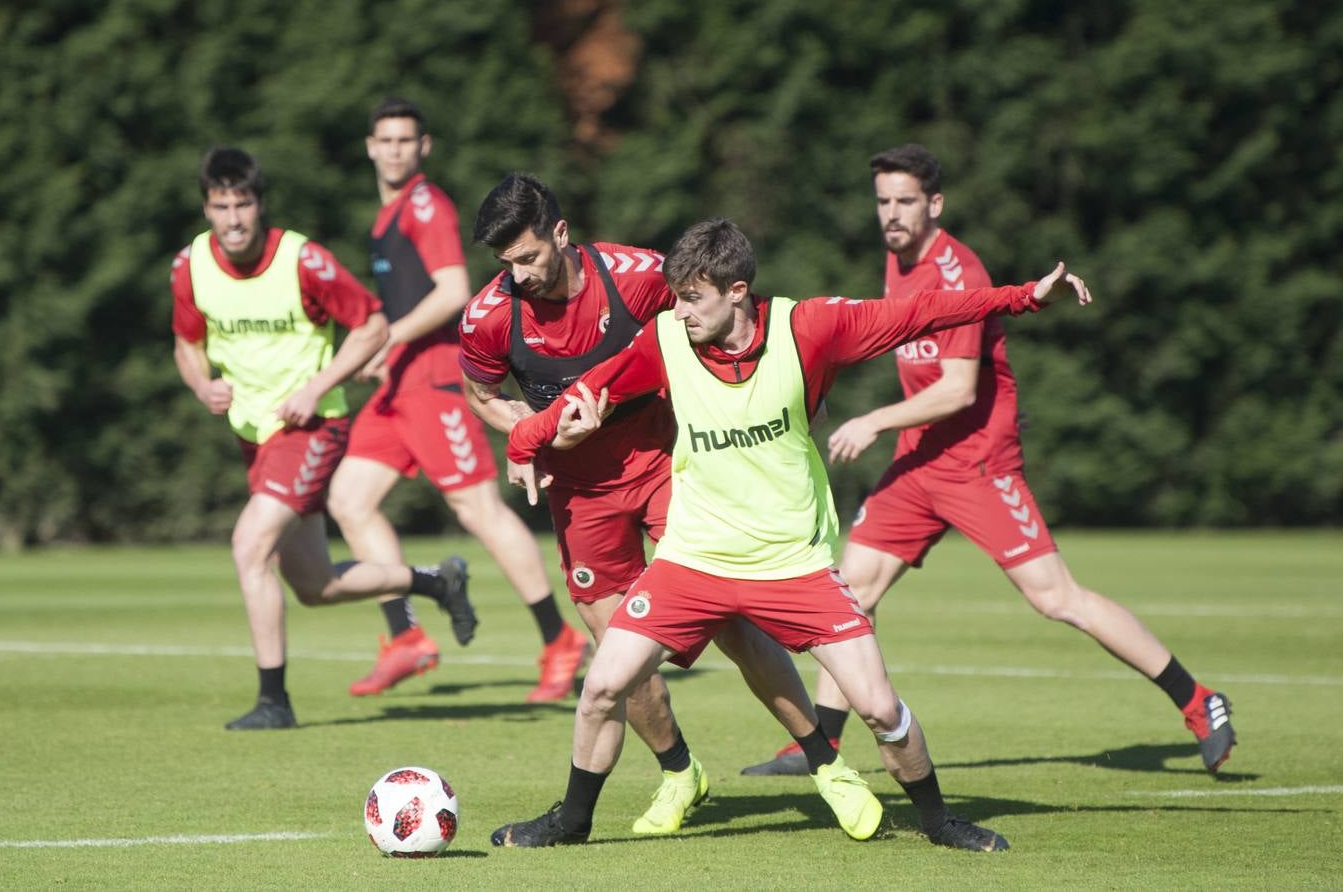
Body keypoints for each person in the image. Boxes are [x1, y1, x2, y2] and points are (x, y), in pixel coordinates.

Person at [491, 217, 1091, 849]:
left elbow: (923, 313)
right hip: (692, 561)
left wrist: (1025, 296)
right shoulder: (665, 338)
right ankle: (571, 824)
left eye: (692, 298)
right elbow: (589, 390)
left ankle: (939, 822)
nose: (678, 310)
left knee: (881, 709)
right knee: (602, 687)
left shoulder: (811, 327)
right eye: (675, 296)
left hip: (793, 565)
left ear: (738, 291)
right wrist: (529, 441)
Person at [741, 144, 1236, 778]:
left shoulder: (958, 273)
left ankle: (1199, 702)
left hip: (978, 465)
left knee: (1056, 598)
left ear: (935, 205)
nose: (891, 214)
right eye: (883, 201)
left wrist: (873, 419)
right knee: (851, 591)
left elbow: (957, 389)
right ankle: (822, 745)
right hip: (920, 461)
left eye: (905, 202)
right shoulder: (898, 258)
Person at [463, 176, 844, 838]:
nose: (517, 277)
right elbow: (480, 389)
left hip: (670, 470)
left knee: (735, 621)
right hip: (579, 495)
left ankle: (825, 764)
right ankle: (677, 772)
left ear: (560, 232)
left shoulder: (637, 277)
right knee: (618, 651)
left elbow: (711, 325)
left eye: (527, 258)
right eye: (505, 265)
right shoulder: (490, 314)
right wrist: (530, 431)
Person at [170, 147, 471, 730]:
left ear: (260, 205)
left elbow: (373, 324)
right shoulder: (189, 267)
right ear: (206, 207)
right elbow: (186, 343)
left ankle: (273, 703)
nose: (232, 219)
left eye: (243, 204)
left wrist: (318, 386)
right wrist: (200, 383)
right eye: (220, 206)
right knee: (315, 585)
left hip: (310, 427)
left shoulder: (302, 259)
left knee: (248, 545)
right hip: (255, 436)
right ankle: (435, 580)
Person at [325, 98, 581, 699]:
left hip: (436, 379)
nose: (394, 149)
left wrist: (386, 341)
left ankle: (558, 639)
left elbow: (452, 291)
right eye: (384, 140)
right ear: (370, 146)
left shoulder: (424, 204)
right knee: (349, 500)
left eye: (405, 140)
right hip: (398, 387)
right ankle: (406, 637)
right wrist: (383, 353)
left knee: (479, 512)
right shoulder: (385, 218)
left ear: (423, 147)